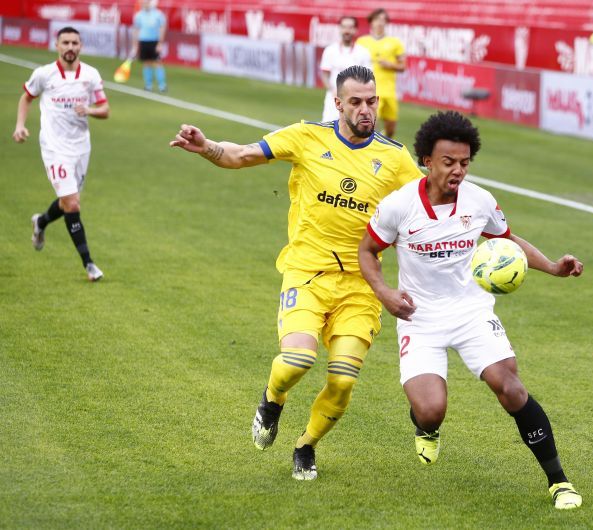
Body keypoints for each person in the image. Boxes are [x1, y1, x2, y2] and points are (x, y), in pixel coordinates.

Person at [170, 65, 423, 480]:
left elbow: (426, 204)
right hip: (306, 273)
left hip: (360, 286)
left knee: (342, 382)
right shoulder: (307, 136)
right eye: (356, 102)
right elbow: (243, 155)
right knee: (297, 360)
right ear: (338, 103)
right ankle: (272, 399)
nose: (365, 109)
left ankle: (305, 445)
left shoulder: (394, 159)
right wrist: (208, 146)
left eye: (372, 101)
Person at [358, 111, 584, 510]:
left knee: (511, 387)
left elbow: (507, 240)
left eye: (464, 162)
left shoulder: (479, 201)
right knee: (430, 410)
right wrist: (385, 293)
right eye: (449, 162)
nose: (458, 170)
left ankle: (559, 481)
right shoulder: (398, 206)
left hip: (471, 312)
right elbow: (367, 252)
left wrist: (552, 266)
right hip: (419, 318)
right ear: (426, 160)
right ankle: (425, 428)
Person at [13, 26, 109, 282]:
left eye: (74, 43)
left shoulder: (90, 75)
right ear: (57, 45)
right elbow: (27, 98)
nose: (70, 47)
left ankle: (41, 222)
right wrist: (20, 126)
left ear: (80, 46)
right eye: (65, 42)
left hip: (81, 147)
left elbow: (105, 109)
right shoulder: (44, 74)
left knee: (68, 201)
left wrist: (88, 110)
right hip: (54, 147)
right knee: (73, 203)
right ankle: (89, 264)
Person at [356, 8, 406, 138]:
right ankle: (370, 146)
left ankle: (382, 142)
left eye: (384, 20)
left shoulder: (395, 43)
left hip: (389, 91)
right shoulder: (362, 42)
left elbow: (403, 66)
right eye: (377, 19)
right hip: (371, 89)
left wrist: (391, 65)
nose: (380, 23)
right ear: (371, 22)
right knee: (372, 122)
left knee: (391, 128)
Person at [319, 16, 372, 122]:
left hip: (355, 101)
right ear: (339, 29)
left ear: (355, 30)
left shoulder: (363, 52)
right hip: (333, 99)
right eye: (344, 27)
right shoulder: (330, 50)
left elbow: (368, 78)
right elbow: (325, 74)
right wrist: (332, 90)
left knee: (353, 133)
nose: (347, 30)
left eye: (350, 27)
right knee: (328, 129)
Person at [131, 0, 168, 92]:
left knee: (157, 62)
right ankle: (148, 85)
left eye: (147, 2)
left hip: (154, 41)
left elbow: (162, 28)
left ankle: (162, 85)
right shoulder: (139, 15)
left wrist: (160, 43)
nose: (144, 4)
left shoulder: (158, 14)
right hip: (143, 41)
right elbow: (136, 30)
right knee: (146, 63)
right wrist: (135, 46)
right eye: (143, 2)